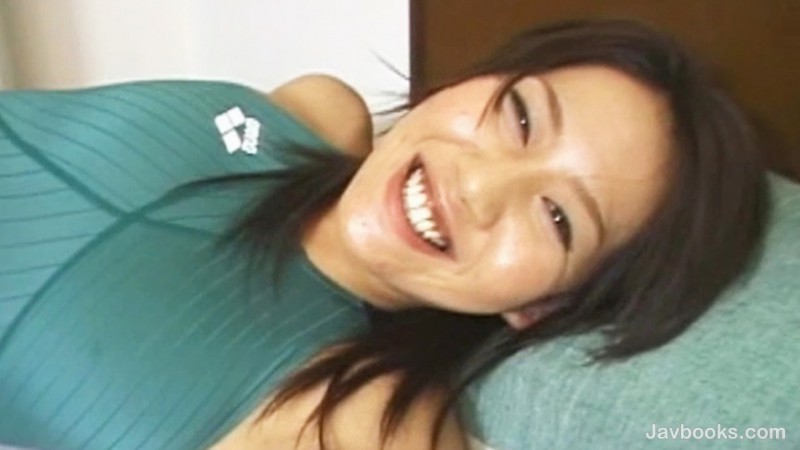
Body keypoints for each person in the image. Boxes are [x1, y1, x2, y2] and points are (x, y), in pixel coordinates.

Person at [0, 19, 767, 450]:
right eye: (521, 115)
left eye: (558, 219)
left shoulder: (362, 421)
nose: (477, 185)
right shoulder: (316, 110)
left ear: (544, 307)